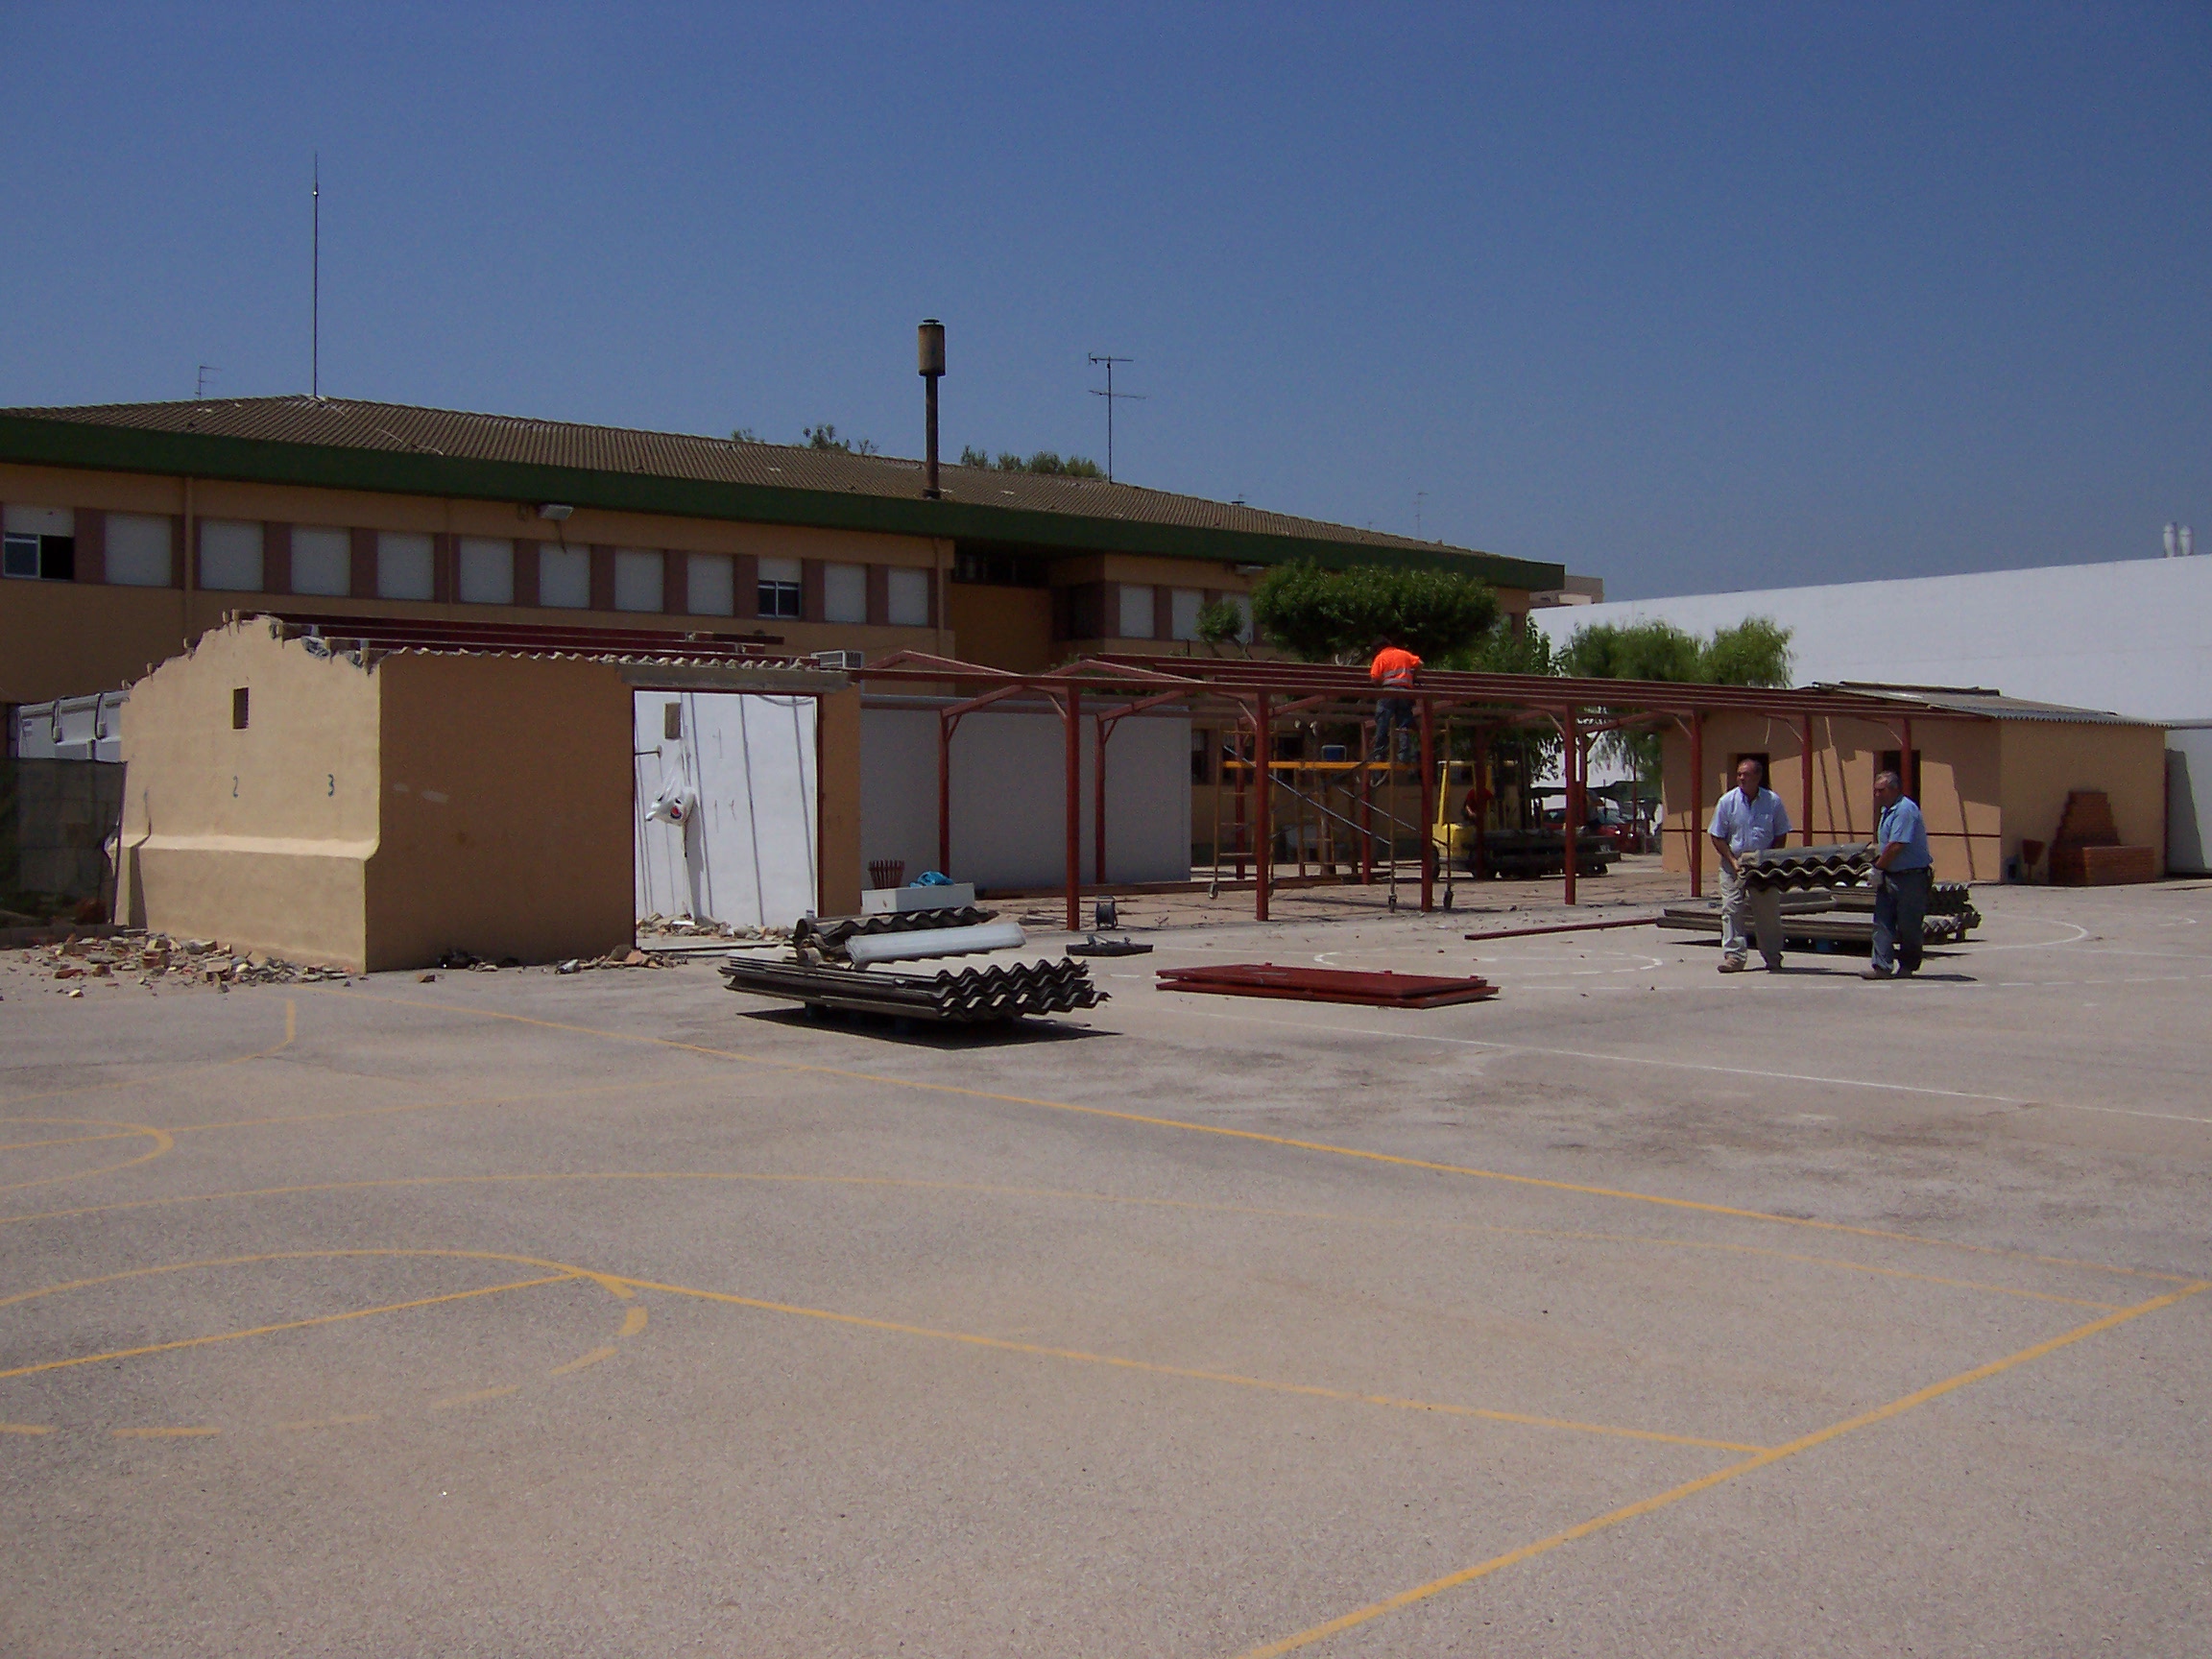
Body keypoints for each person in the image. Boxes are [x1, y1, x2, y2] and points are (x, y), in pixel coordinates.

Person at [1707, 756, 1791, 973]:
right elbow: (1716, 836)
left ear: (1758, 777)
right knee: (1732, 908)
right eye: (1739, 774)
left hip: (1763, 866)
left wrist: (1770, 859)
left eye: (1746, 774)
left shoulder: (1773, 802)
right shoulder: (1727, 802)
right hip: (1733, 864)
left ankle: (1772, 956)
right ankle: (1734, 957)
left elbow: (1781, 833)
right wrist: (1733, 861)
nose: (1741, 778)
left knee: (1767, 912)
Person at [1863, 768, 1934, 978]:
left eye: (1881, 790)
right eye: (1875, 791)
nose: (1877, 795)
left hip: (1911, 877)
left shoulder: (1905, 810)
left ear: (1894, 789)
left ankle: (1908, 966)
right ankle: (1882, 966)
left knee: (1909, 924)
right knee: (1882, 922)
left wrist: (1877, 868)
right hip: (1890, 874)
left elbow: (1896, 845)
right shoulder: (1886, 811)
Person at [1368, 638, 1423, 762]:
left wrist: (1380, 686)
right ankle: (1404, 755)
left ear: (1378, 648)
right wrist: (1413, 678)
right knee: (1404, 723)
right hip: (1405, 692)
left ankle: (1379, 754)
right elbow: (1420, 663)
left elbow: (1374, 677)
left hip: (1388, 691)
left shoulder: (1381, 657)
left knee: (1383, 722)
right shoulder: (1403, 654)